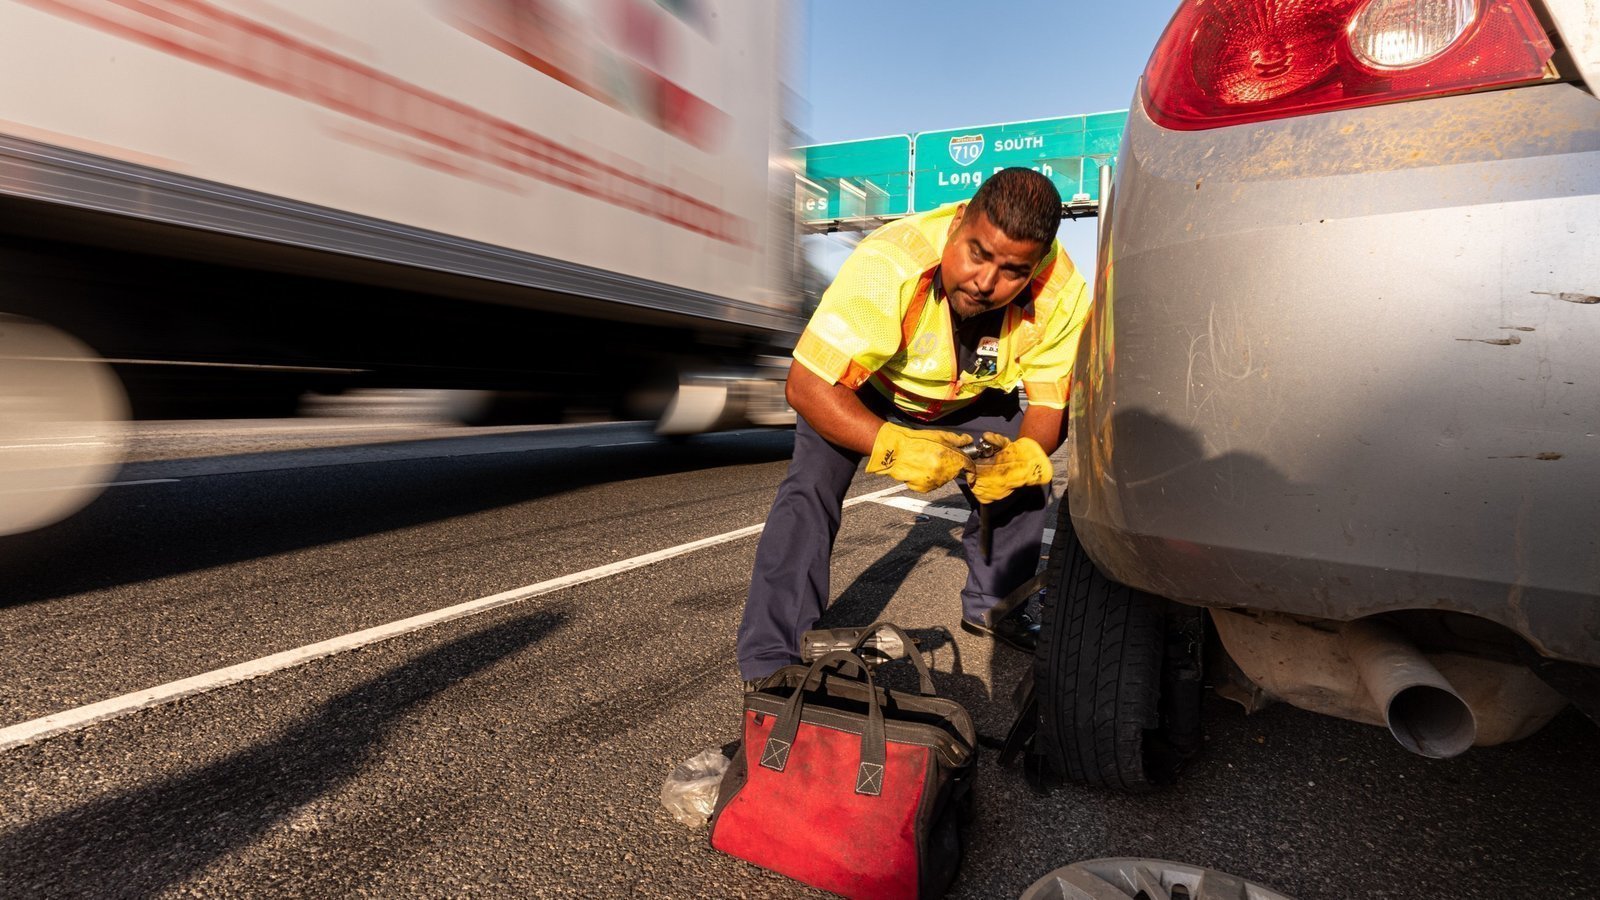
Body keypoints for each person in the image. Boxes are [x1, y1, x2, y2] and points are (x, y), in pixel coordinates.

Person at [736, 167, 1093, 682]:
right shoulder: (889, 261)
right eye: (977, 253)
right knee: (809, 490)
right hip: (865, 390)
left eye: (1013, 270)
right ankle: (774, 654)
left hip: (967, 398)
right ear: (957, 226)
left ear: (1036, 266)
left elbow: (1048, 407)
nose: (987, 282)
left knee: (1024, 477)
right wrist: (893, 446)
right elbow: (806, 386)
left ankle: (996, 604)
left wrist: (1023, 459)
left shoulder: (1063, 292)